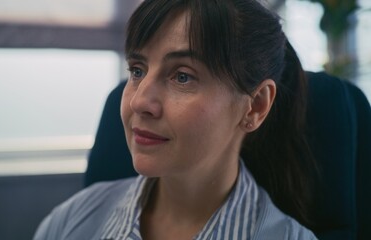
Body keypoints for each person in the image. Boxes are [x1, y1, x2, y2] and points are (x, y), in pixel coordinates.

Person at [34, 0, 319, 239]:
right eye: (137, 70)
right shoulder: (70, 221)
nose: (139, 101)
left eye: (182, 76)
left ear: (255, 106)